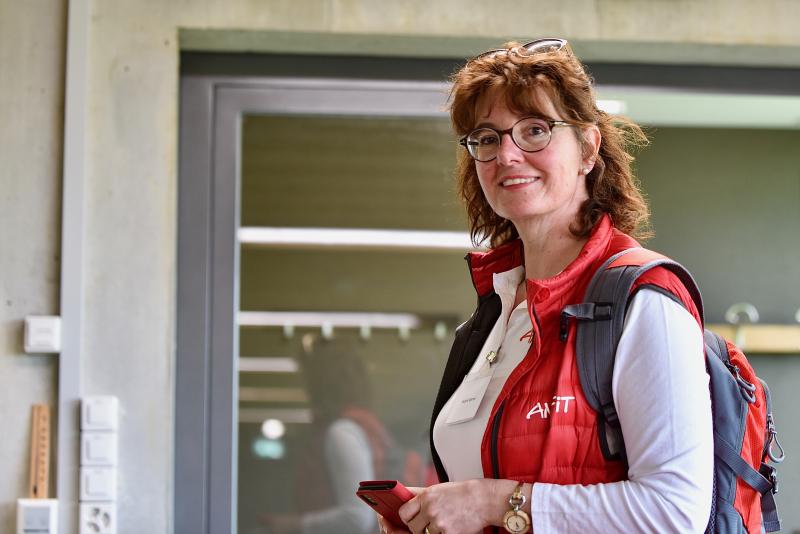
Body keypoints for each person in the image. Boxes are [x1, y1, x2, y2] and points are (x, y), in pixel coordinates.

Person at [380, 38, 713, 534]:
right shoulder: (493, 315)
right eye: (487, 138)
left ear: (587, 149)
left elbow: (675, 510)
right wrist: (433, 515)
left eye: (534, 130)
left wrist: (497, 503)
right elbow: (478, 495)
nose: (506, 154)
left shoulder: (641, 300)